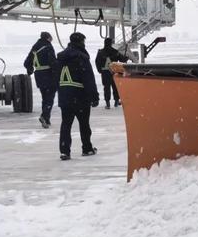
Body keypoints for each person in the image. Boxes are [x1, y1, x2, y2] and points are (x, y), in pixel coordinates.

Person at [56, 32, 99, 160]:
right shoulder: (81, 58)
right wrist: (94, 97)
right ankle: (87, 148)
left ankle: (64, 151)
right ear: (81, 42)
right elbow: (88, 79)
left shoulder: (60, 58)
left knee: (66, 124)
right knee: (84, 124)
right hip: (80, 96)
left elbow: (55, 76)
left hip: (65, 96)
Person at [23, 31, 57, 129]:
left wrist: (30, 70)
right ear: (48, 38)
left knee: (45, 97)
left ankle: (47, 119)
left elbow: (27, 62)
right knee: (49, 98)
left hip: (39, 75)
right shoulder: (48, 47)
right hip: (49, 75)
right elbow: (52, 62)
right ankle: (44, 116)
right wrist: (57, 72)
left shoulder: (35, 48)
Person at [95, 37, 129, 109]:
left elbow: (97, 61)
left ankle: (107, 103)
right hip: (114, 72)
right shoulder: (115, 52)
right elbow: (122, 59)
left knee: (106, 88)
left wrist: (100, 70)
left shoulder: (101, 52)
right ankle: (116, 101)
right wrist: (126, 57)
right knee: (115, 87)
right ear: (111, 43)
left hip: (105, 72)